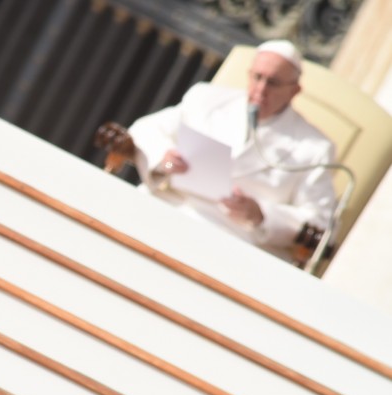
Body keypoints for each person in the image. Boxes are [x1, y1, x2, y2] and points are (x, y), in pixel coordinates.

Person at [100, 40, 337, 262]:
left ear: (294, 91)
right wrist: (165, 157)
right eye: (257, 77)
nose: (261, 89)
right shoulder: (207, 98)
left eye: (273, 82)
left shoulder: (313, 148)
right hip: (165, 208)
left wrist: (261, 214)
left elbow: (322, 227)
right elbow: (146, 129)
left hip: (231, 244)